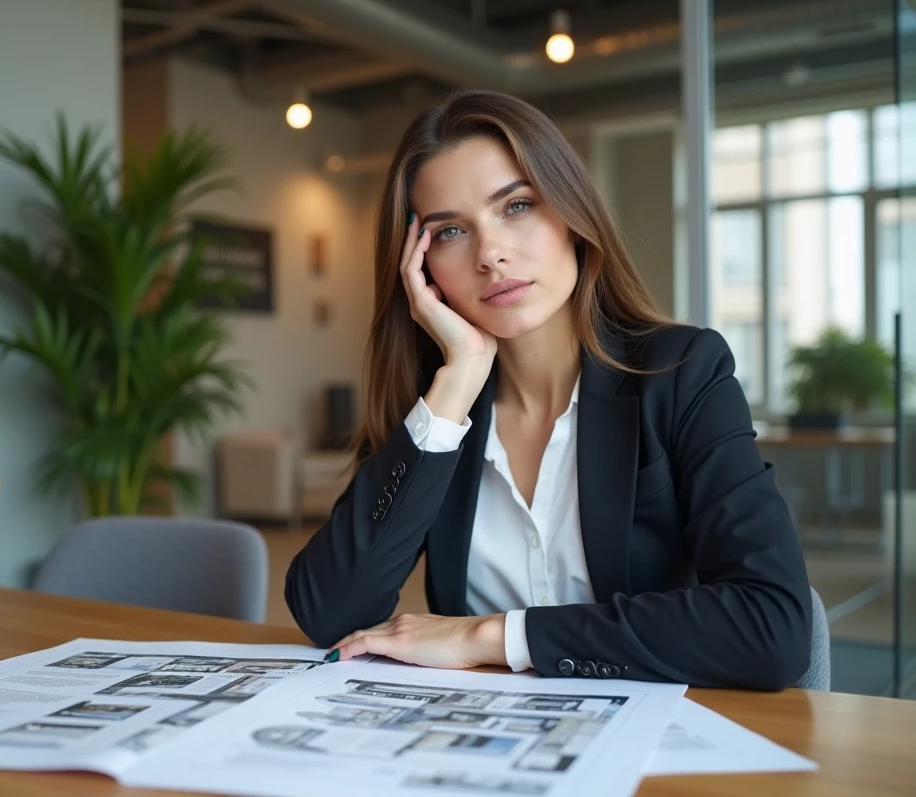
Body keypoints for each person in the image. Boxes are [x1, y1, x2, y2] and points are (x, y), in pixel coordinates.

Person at [285, 90, 812, 691]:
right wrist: (457, 380)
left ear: (571, 212)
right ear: (423, 268)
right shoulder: (434, 411)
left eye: (516, 206)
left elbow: (773, 628)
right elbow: (329, 611)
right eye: (451, 231)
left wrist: (490, 636)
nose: (491, 254)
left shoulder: (683, 372)